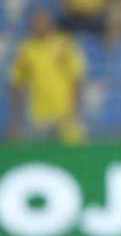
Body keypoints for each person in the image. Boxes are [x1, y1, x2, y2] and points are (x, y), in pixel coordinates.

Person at [7, 9, 87, 145]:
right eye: (35, 23)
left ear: (50, 23)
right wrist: (17, 118)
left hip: (65, 114)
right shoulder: (26, 49)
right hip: (39, 116)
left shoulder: (65, 44)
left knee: (74, 153)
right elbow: (16, 82)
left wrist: (75, 111)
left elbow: (77, 78)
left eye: (42, 22)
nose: (38, 26)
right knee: (42, 156)